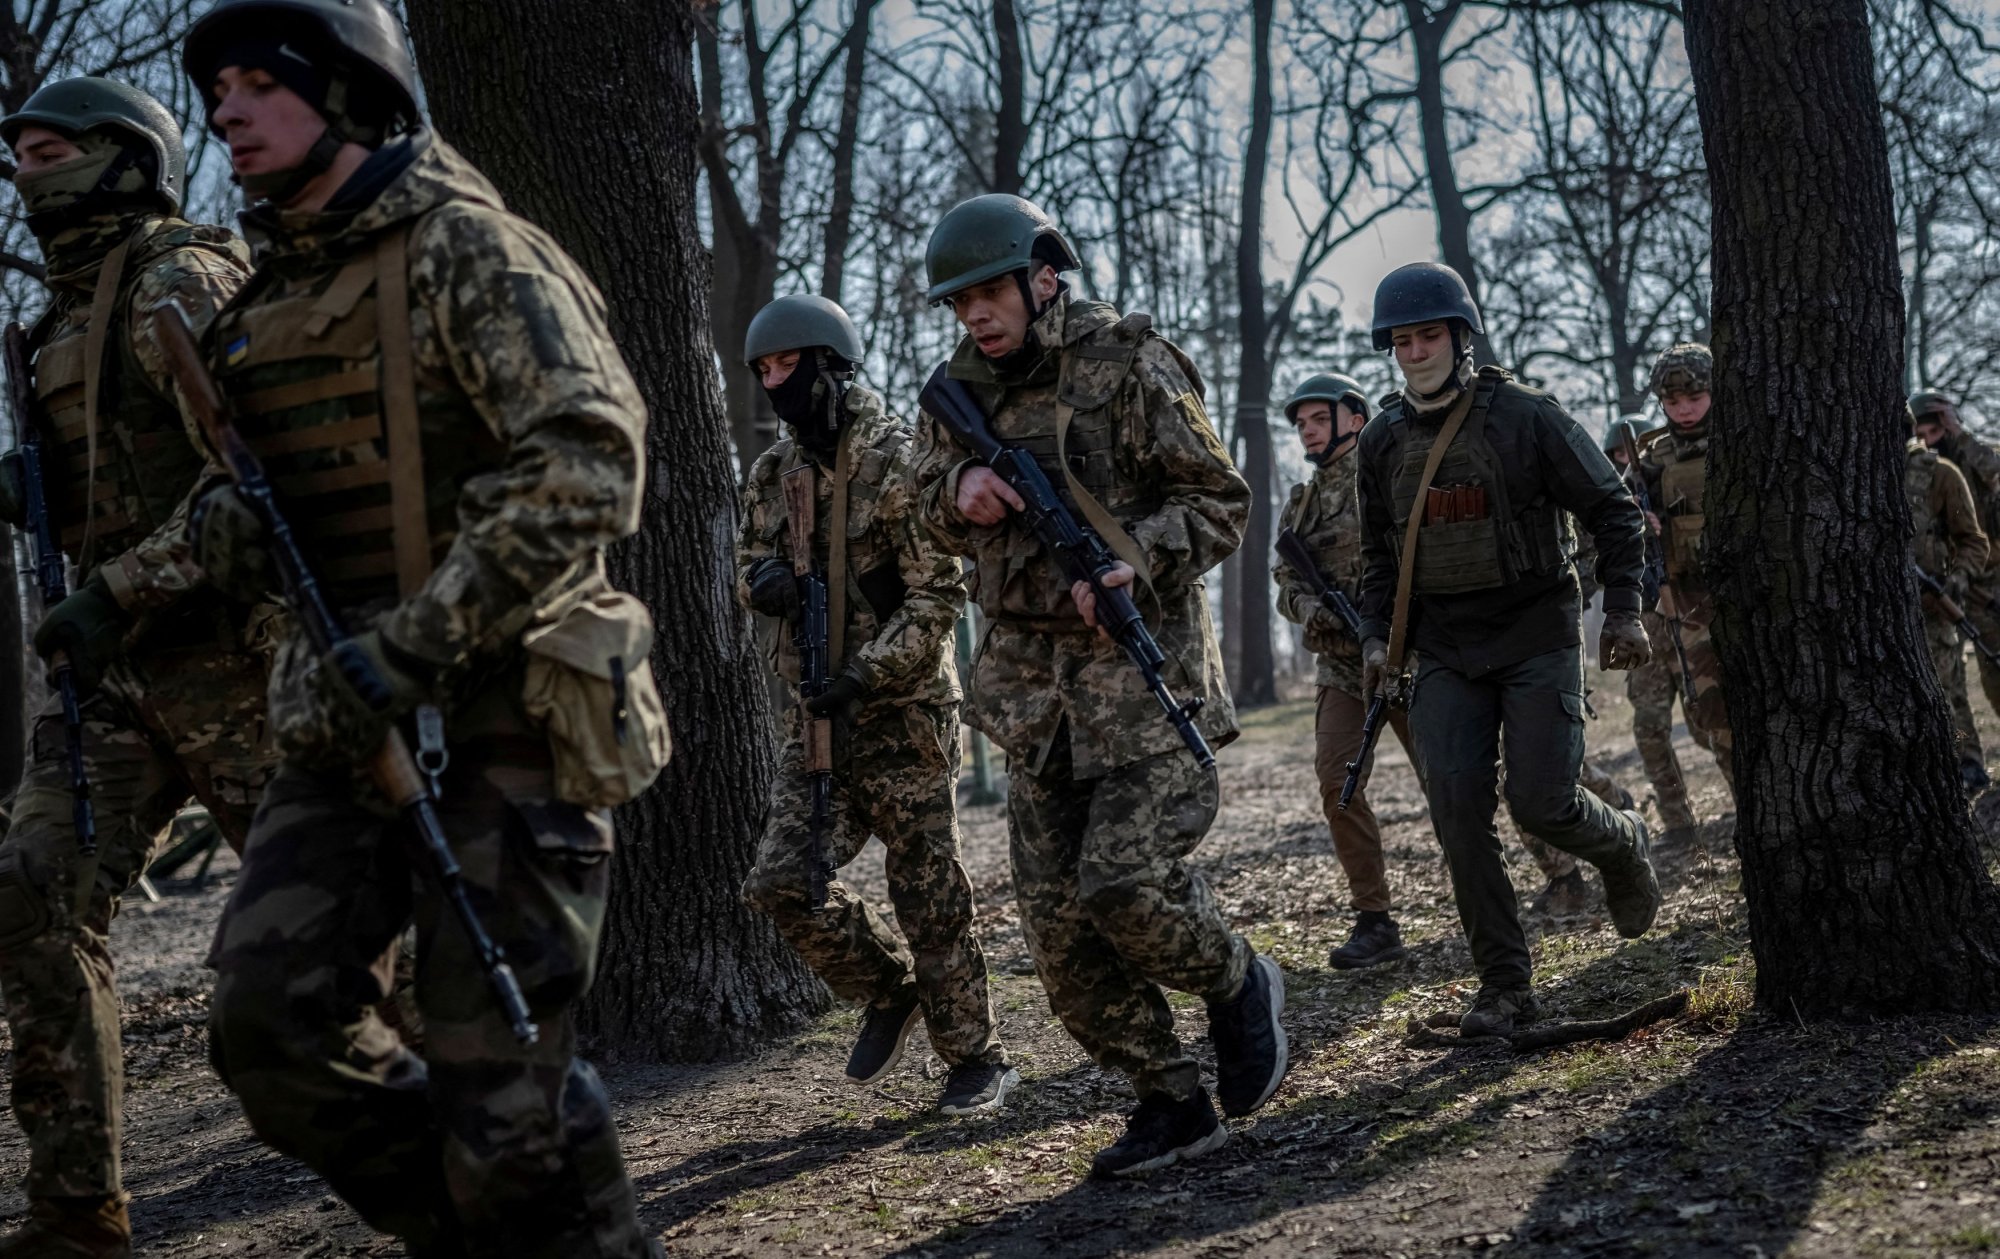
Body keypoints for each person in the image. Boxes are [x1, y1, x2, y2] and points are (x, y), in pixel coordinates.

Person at [181, 2, 667, 1254]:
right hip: (342, 724)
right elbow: (255, 500)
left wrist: (413, 639)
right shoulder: (260, 300)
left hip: (507, 710)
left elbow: (588, 461)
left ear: (347, 93)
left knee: (500, 1093)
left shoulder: (467, 249)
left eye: (254, 82)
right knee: (268, 1023)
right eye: (215, 88)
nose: (223, 110)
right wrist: (224, 528)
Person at [909, 193, 1287, 1177]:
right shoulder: (955, 391)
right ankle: (1170, 1100)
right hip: (1031, 696)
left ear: (1043, 275)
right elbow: (915, 499)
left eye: (989, 293)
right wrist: (954, 492)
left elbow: (1218, 497)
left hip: (1135, 673)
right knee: (1061, 947)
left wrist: (1134, 559)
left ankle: (1241, 978)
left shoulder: (1128, 361)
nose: (975, 317)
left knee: (1121, 883)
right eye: (959, 304)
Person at [0, 77, 273, 1259]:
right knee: (32, 889)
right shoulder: (54, 319)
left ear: (124, 158)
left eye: (49, 152)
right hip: (107, 682)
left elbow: (257, 488)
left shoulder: (183, 275)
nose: (25, 176)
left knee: (348, 930)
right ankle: (78, 1211)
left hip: (236, 659)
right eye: (17, 159)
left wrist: (116, 589)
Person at [1354, 262, 1661, 1038]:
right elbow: (1378, 557)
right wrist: (1371, 638)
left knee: (1542, 802)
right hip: (1445, 650)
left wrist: (1623, 609)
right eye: (1402, 340)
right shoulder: (1383, 439)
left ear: (1460, 338)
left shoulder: (1527, 416)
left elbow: (1614, 511)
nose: (1415, 351)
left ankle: (1623, 842)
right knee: (1458, 813)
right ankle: (1505, 986)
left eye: (1429, 335)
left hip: (1534, 633)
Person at [734, 294, 1015, 1114]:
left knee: (927, 890)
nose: (774, 383)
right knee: (783, 881)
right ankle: (890, 992)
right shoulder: (771, 473)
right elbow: (746, 557)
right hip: (814, 716)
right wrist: (762, 584)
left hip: (905, 714)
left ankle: (976, 1058)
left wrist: (865, 671)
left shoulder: (897, 460)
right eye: (763, 371)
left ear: (829, 365)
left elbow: (936, 596)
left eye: (787, 366)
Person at [1272, 373, 1415, 969]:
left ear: (1353, 418)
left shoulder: (1391, 475)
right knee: (1339, 783)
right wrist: (1309, 609)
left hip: (1411, 656)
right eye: (1301, 423)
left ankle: (1520, 888)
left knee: (1457, 783)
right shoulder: (1301, 503)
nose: (1307, 431)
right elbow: (1287, 582)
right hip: (1340, 667)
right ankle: (1374, 920)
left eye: (1317, 419)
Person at [1635, 346, 1734, 798]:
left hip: (1754, 594)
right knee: (1715, 714)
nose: (1684, 409)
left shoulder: (1742, 443)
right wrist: (1641, 525)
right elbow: (1614, 524)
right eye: (1672, 403)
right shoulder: (1652, 460)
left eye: (1694, 398)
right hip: (1691, 606)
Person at [1603, 414, 1701, 845]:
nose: (1626, 462)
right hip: (1645, 628)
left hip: (1689, 617)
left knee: (1707, 722)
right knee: (1649, 727)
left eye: (1630, 454)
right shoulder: (1612, 506)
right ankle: (1677, 820)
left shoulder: (1677, 485)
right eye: (1617, 456)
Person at [1914, 390, 2000, 793]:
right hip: (1959, 584)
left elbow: (1993, 471)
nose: (1931, 437)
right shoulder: (1925, 470)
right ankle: (1968, 765)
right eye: (1923, 430)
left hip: (1987, 575)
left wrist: (1958, 433)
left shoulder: (1969, 459)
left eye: (1937, 427)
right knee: (1982, 676)